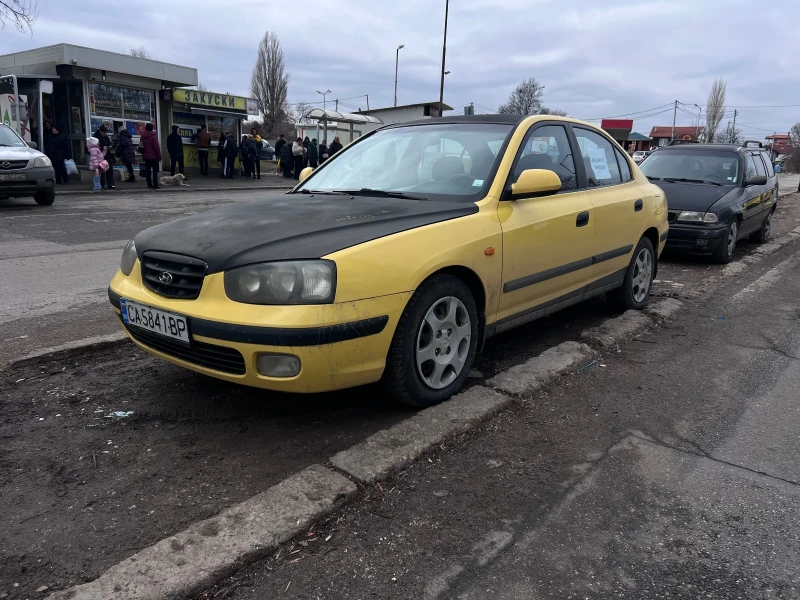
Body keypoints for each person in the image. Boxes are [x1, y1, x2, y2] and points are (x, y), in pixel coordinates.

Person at [140, 122, 162, 189]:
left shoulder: (143, 136)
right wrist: (159, 156)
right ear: (152, 128)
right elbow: (156, 148)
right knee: (155, 171)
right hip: (153, 156)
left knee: (148, 171)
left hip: (146, 156)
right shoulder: (153, 137)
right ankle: (155, 184)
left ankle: (149, 184)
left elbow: (141, 146)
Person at [93, 124, 115, 189]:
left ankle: (110, 184)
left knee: (109, 169)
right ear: (100, 131)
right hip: (101, 156)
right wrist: (102, 148)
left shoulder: (106, 137)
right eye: (104, 133)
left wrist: (110, 146)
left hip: (107, 155)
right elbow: (94, 147)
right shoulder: (96, 137)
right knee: (101, 170)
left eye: (106, 133)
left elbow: (109, 143)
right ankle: (101, 184)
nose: (105, 134)